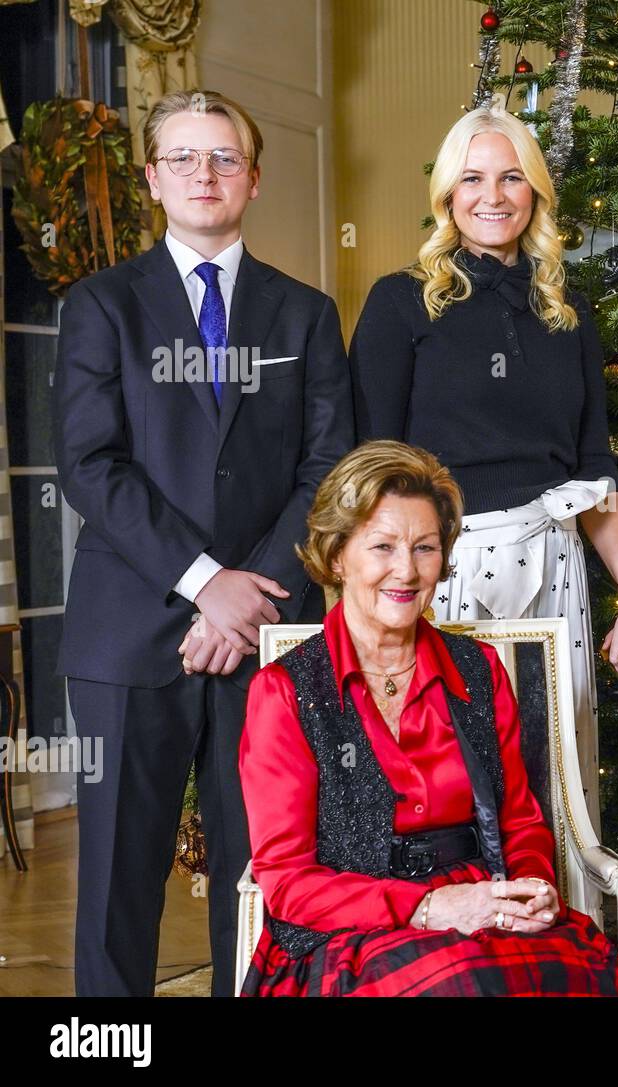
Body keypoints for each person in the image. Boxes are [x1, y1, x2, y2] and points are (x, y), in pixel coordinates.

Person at [55, 89, 354, 997]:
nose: (204, 174)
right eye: (183, 158)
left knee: (258, 873)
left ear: (254, 179)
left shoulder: (305, 313)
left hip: (266, 631)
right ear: (153, 178)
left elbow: (329, 470)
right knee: (115, 881)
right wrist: (203, 581)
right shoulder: (101, 305)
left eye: (223, 157)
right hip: (129, 632)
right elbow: (89, 464)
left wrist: (250, 590)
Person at [238, 441, 618, 997]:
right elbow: (289, 882)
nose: (406, 569)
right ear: (338, 555)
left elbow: (519, 822)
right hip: (347, 932)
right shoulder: (285, 692)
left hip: (480, 900)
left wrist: (533, 886)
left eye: (425, 547)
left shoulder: (477, 670)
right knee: (463, 988)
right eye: (382, 547)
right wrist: (426, 907)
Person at [349, 106, 618, 822]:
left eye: (511, 177)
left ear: (536, 192)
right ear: (447, 195)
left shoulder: (569, 311)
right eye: (473, 178)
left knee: (552, 781)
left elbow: (593, 474)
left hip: (555, 572)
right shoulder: (400, 303)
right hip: (436, 571)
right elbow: (371, 472)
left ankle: (550, 929)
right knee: (444, 785)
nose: (492, 195)